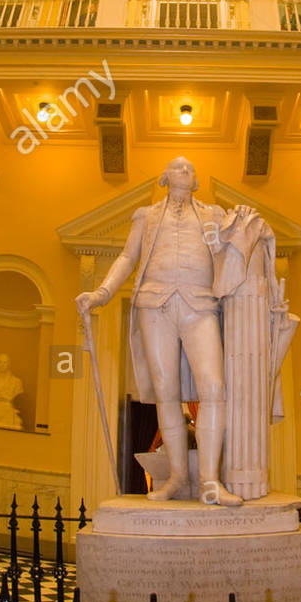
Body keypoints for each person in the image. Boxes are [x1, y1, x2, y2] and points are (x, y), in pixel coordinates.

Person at [76, 156, 245, 505]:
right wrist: (102, 293)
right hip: (154, 304)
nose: (185, 169)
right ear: (164, 177)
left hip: (200, 303)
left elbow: (237, 251)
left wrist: (251, 228)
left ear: (196, 181)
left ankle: (210, 481)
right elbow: (126, 257)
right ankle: (178, 478)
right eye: (177, 166)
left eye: (191, 168)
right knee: (166, 391)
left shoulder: (215, 215)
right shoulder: (146, 216)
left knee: (214, 386)